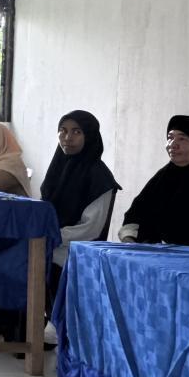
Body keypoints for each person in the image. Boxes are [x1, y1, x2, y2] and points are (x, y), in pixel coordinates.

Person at [118, 115, 189, 251]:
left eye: (182, 139)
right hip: (167, 259)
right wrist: (131, 240)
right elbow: (137, 214)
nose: (172, 145)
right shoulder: (166, 177)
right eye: (170, 137)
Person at [41, 110, 121, 292]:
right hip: (48, 248)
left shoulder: (99, 176)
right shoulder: (58, 167)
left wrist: (49, 236)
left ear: (89, 136)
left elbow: (90, 229)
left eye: (77, 132)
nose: (67, 137)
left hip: (74, 257)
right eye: (63, 130)